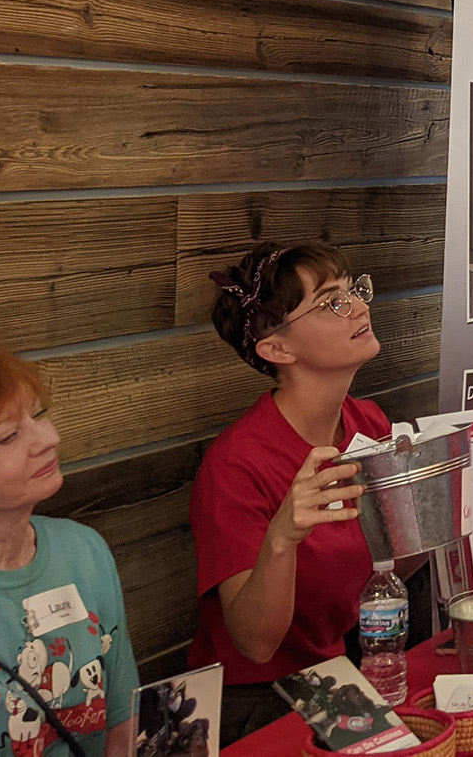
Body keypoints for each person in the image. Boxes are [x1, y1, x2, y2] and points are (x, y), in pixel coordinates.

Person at [192, 243, 388, 743]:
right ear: (277, 350)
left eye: (354, 290)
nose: (360, 307)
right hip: (256, 702)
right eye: (332, 302)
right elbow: (256, 644)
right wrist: (283, 538)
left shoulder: (368, 423)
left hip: (347, 669)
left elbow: (386, 566)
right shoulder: (236, 464)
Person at [0, 347, 139, 757]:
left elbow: (122, 713)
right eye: (7, 437)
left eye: (38, 416)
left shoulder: (83, 548)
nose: (49, 439)